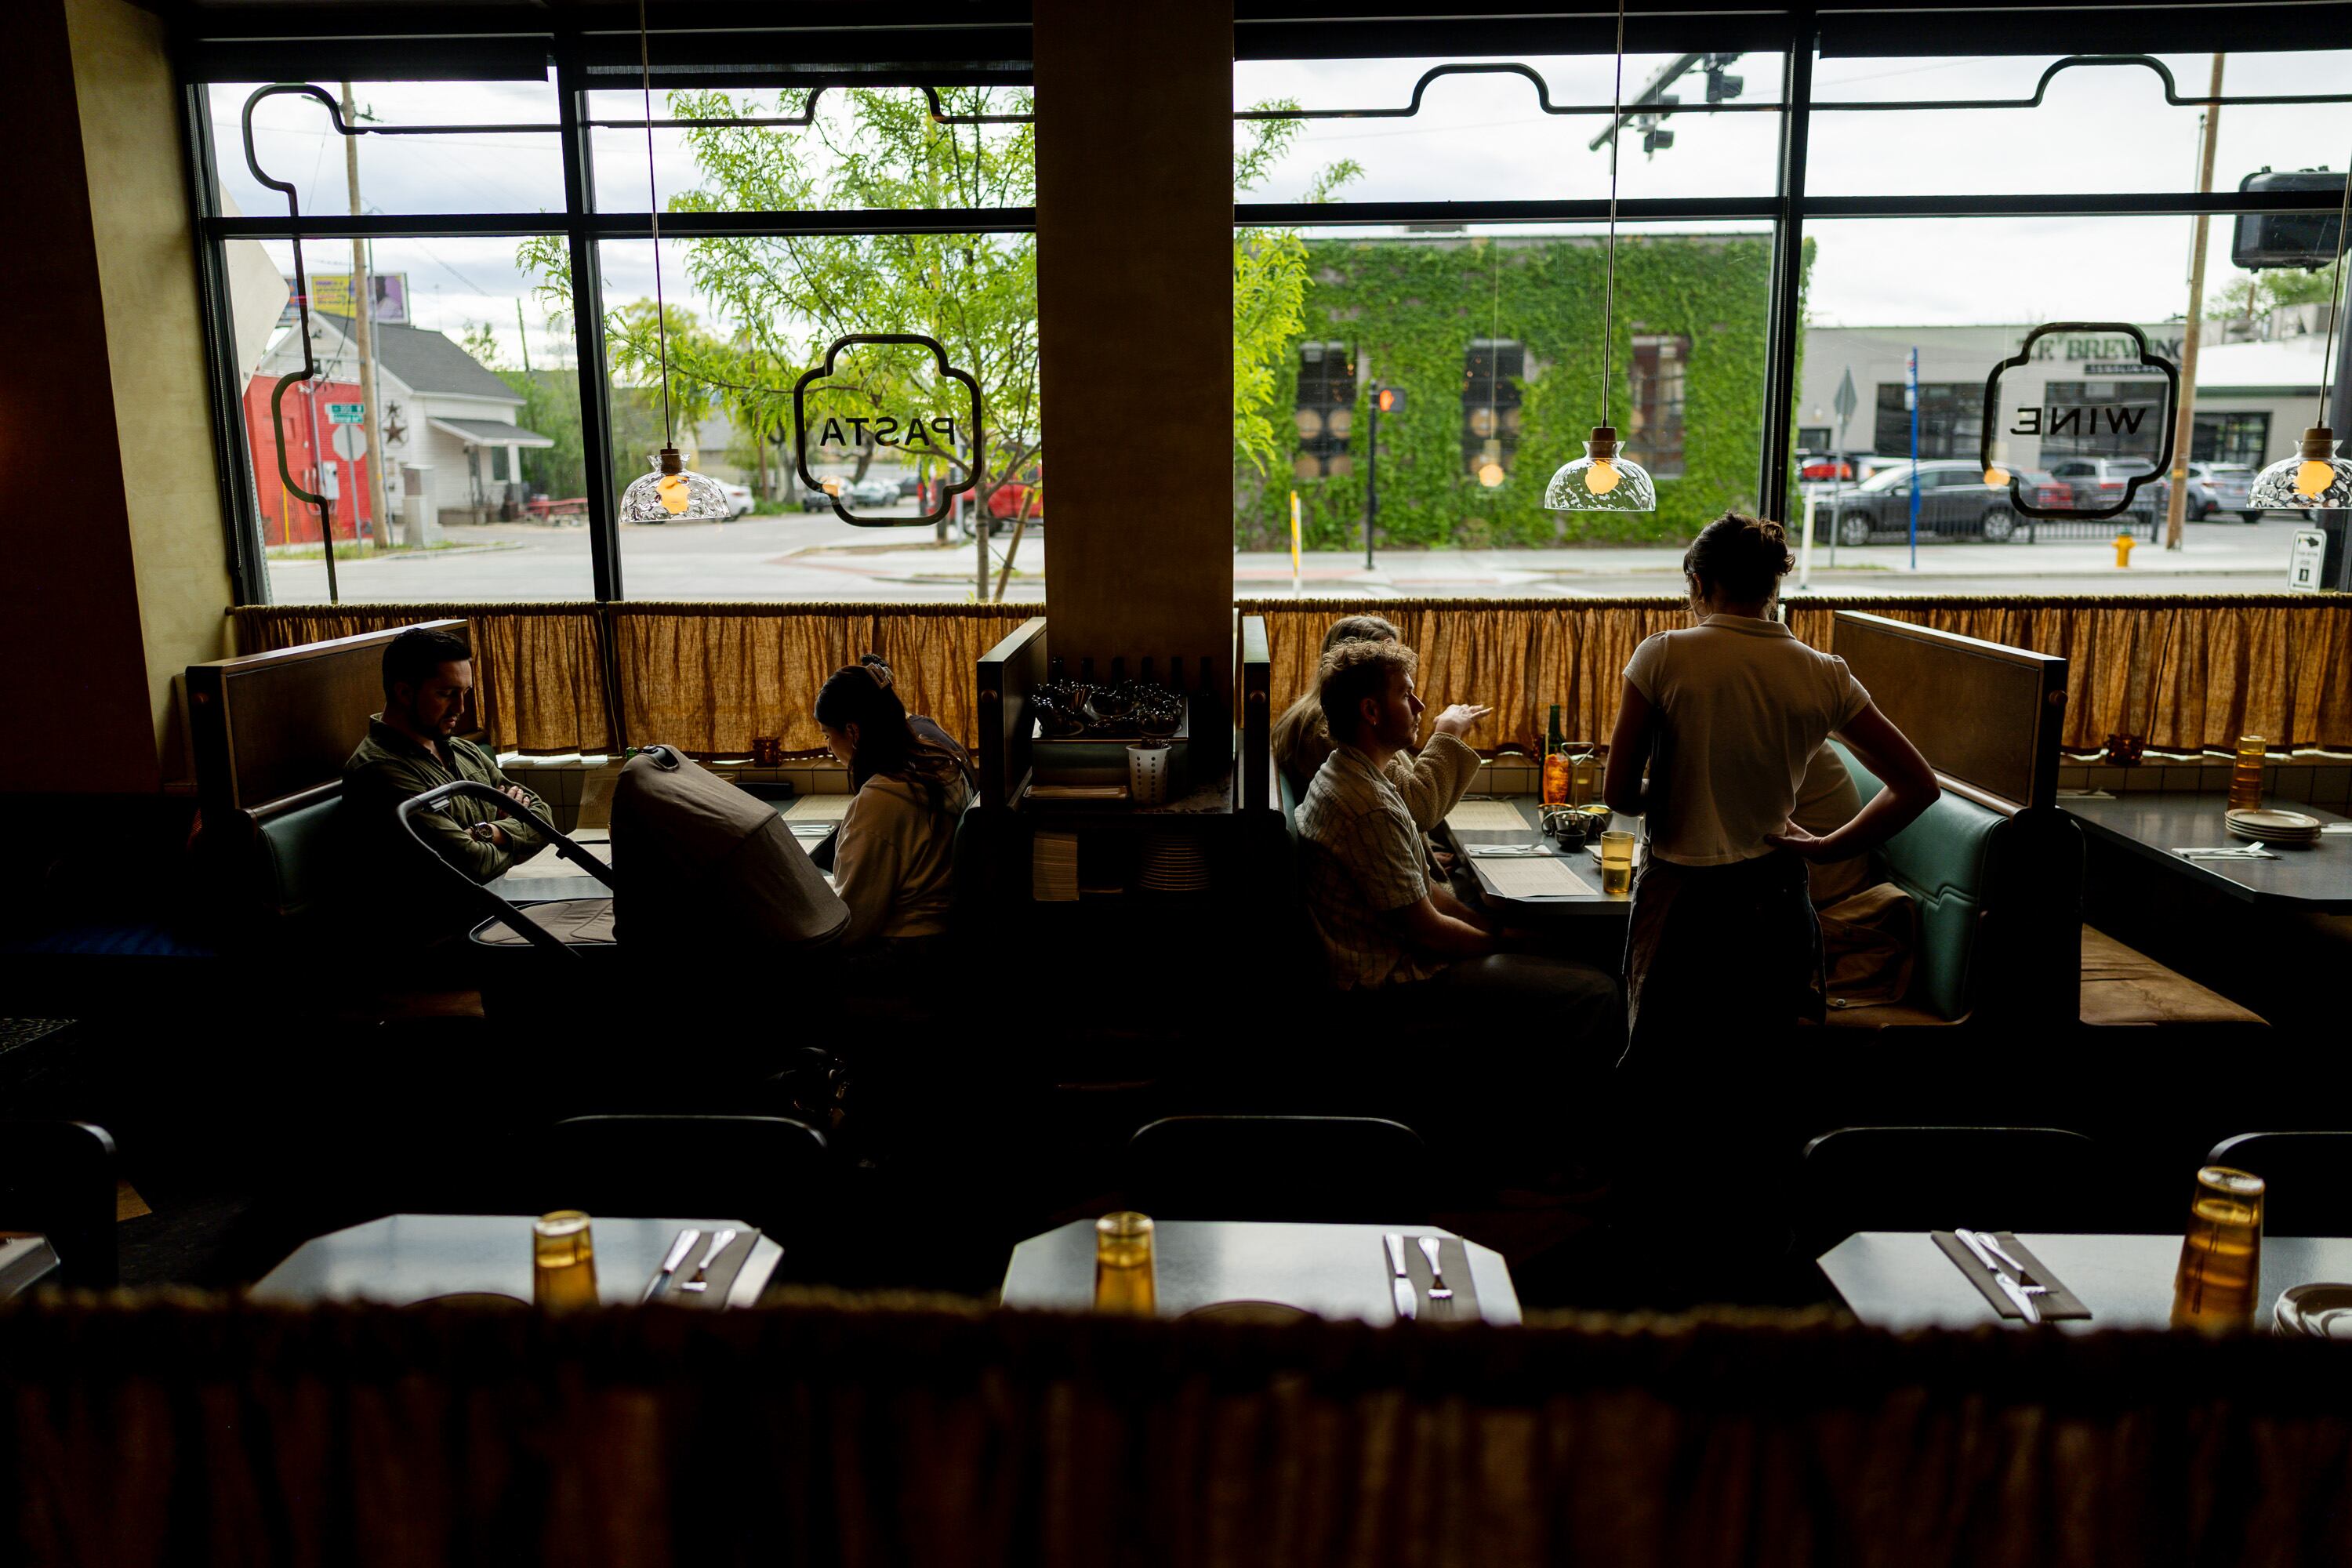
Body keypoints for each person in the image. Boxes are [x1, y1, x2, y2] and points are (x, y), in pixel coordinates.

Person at [1604, 513, 1938, 1056]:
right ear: (1773, 585)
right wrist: (1832, 847)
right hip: (1776, 904)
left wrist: (1675, 792)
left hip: (1684, 906)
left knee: (1666, 1072)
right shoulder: (1824, 672)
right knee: (1758, 1073)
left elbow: (1619, 794)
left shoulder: (1663, 655)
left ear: (1698, 583)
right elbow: (1918, 785)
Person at [1294, 638, 1622, 1080]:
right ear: (1371, 712)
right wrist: (1505, 944)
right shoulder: (1367, 803)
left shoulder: (1355, 771)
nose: (1420, 704)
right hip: (1393, 987)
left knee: (1544, 942)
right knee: (1596, 989)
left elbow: (1422, 890)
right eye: (1405, 695)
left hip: (1399, 955)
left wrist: (1496, 927)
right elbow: (1427, 930)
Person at [343, 626, 553, 893]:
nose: (460, 708)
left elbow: (543, 818)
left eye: (464, 693)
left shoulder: (464, 750)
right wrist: (520, 841)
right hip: (452, 922)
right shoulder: (379, 771)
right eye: (446, 694)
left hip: (505, 898)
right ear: (405, 693)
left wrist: (485, 833)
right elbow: (472, 864)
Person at [813, 661, 972, 956]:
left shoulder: (882, 800)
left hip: (903, 951)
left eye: (827, 736)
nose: (828, 749)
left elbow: (854, 923)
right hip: (940, 943)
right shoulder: (942, 766)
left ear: (852, 731)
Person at [1273, 614, 1487, 831]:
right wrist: (1447, 733)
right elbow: (1417, 810)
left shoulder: (1324, 718)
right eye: (1386, 655)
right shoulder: (1328, 731)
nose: (1395, 661)